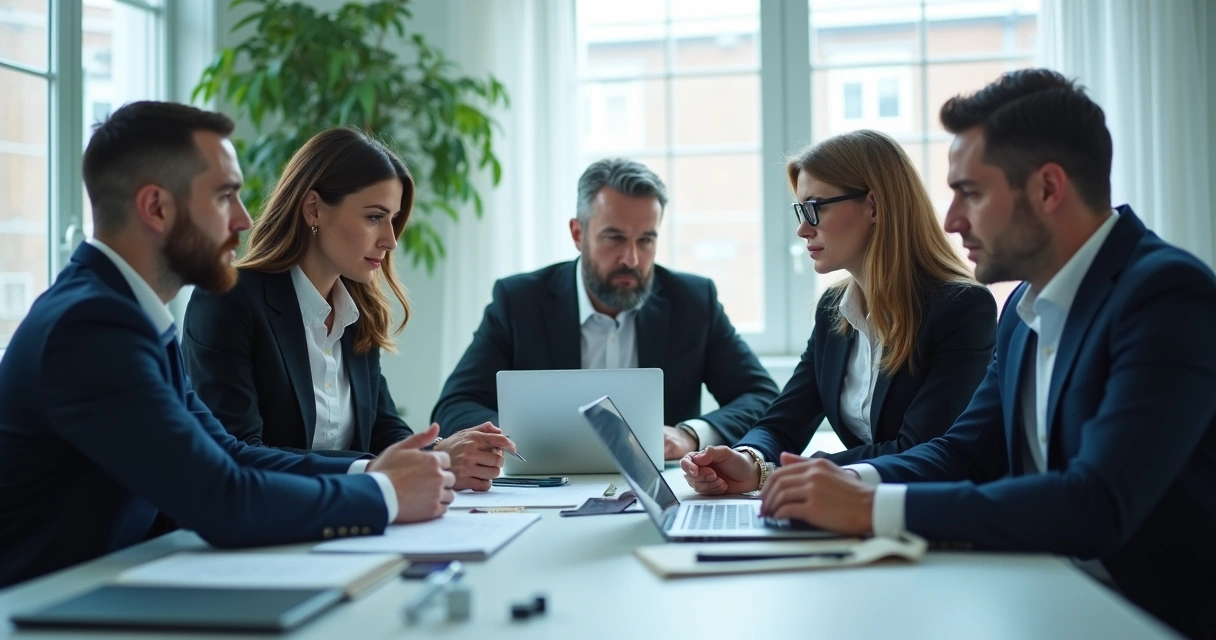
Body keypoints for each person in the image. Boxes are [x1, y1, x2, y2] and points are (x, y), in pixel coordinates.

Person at [736, 70, 1216, 639]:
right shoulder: (1023, 309)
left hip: (1145, 617)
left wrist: (870, 509)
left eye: (972, 192)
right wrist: (849, 483)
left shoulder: (1165, 294)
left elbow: (1095, 504)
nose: (950, 220)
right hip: (1037, 588)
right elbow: (963, 453)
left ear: (1047, 189)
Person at [0, 102, 455, 588]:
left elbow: (231, 454)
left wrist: (369, 470)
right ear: (156, 207)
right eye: (224, 198)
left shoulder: (130, 316)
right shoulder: (90, 326)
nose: (243, 220)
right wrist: (384, 495)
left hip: (111, 588)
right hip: (42, 608)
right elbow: (220, 497)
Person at [183, 127, 514, 492]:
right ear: (314, 209)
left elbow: (382, 430)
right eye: (374, 217)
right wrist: (377, 469)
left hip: (350, 519)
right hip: (265, 524)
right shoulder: (228, 300)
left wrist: (443, 452)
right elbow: (238, 452)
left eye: (393, 219)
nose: (390, 240)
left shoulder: (358, 312)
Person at [680, 130, 996, 495]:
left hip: (931, 516)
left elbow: (920, 448)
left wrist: (776, 474)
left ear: (874, 206)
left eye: (815, 208)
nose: (802, 229)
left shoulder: (962, 308)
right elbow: (783, 423)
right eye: (801, 211)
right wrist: (749, 459)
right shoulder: (834, 312)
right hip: (856, 511)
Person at [431, 158, 780, 460]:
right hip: (542, 489)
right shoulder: (520, 300)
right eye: (614, 237)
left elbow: (761, 396)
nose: (631, 258)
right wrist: (521, 437)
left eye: (646, 240)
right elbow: (455, 405)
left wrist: (689, 435)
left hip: (663, 488)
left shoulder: (692, 301)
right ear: (578, 233)